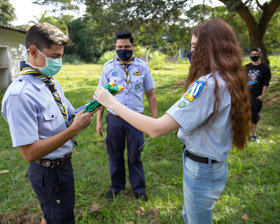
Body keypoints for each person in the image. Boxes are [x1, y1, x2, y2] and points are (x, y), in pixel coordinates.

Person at [93, 18, 251, 223]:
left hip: (201, 170)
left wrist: (110, 103)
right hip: (212, 166)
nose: (190, 52)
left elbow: (157, 129)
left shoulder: (207, 86)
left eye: (194, 47)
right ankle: (117, 185)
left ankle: (138, 188)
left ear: (209, 48)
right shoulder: (228, 78)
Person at [1, 23, 97, 224]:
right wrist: (73, 131)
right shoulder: (20, 95)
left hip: (62, 167)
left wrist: (96, 103)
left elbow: (69, 116)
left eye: (61, 55)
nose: (59, 62)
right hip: (47, 172)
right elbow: (29, 153)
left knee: (53, 216)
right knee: (59, 218)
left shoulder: (49, 81)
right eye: (54, 56)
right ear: (34, 52)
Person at [96, 30, 158, 201]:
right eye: (119, 47)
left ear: (133, 46)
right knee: (114, 155)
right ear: (115, 47)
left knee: (134, 156)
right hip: (114, 119)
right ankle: (116, 187)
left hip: (136, 120)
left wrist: (154, 120)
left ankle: (139, 189)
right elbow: (101, 95)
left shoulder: (142, 67)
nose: (123, 49)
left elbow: (151, 94)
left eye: (126, 46)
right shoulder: (108, 67)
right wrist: (99, 122)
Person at [246, 48, 271, 143]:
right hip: (246, 95)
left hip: (257, 96)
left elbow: (266, 83)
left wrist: (262, 95)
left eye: (255, 54)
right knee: (244, 115)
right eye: (252, 54)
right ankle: (244, 134)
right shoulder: (246, 67)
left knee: (254, 115)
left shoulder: (265, 68)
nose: (253, 56)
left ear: (260, 55)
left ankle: (253, 135)